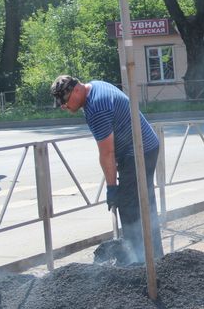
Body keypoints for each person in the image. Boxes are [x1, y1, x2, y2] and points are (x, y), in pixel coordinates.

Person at [50, 75, 164, 263]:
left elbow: (107, 153)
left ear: (76, 90)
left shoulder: (96, 108)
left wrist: (112, 189)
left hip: (137, 153)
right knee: (144, 202)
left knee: (129, 206)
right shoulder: (96, 86)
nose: (63, 106)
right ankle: (155, 257)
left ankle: (138, 260)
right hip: (146, 147)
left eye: (65, 101)